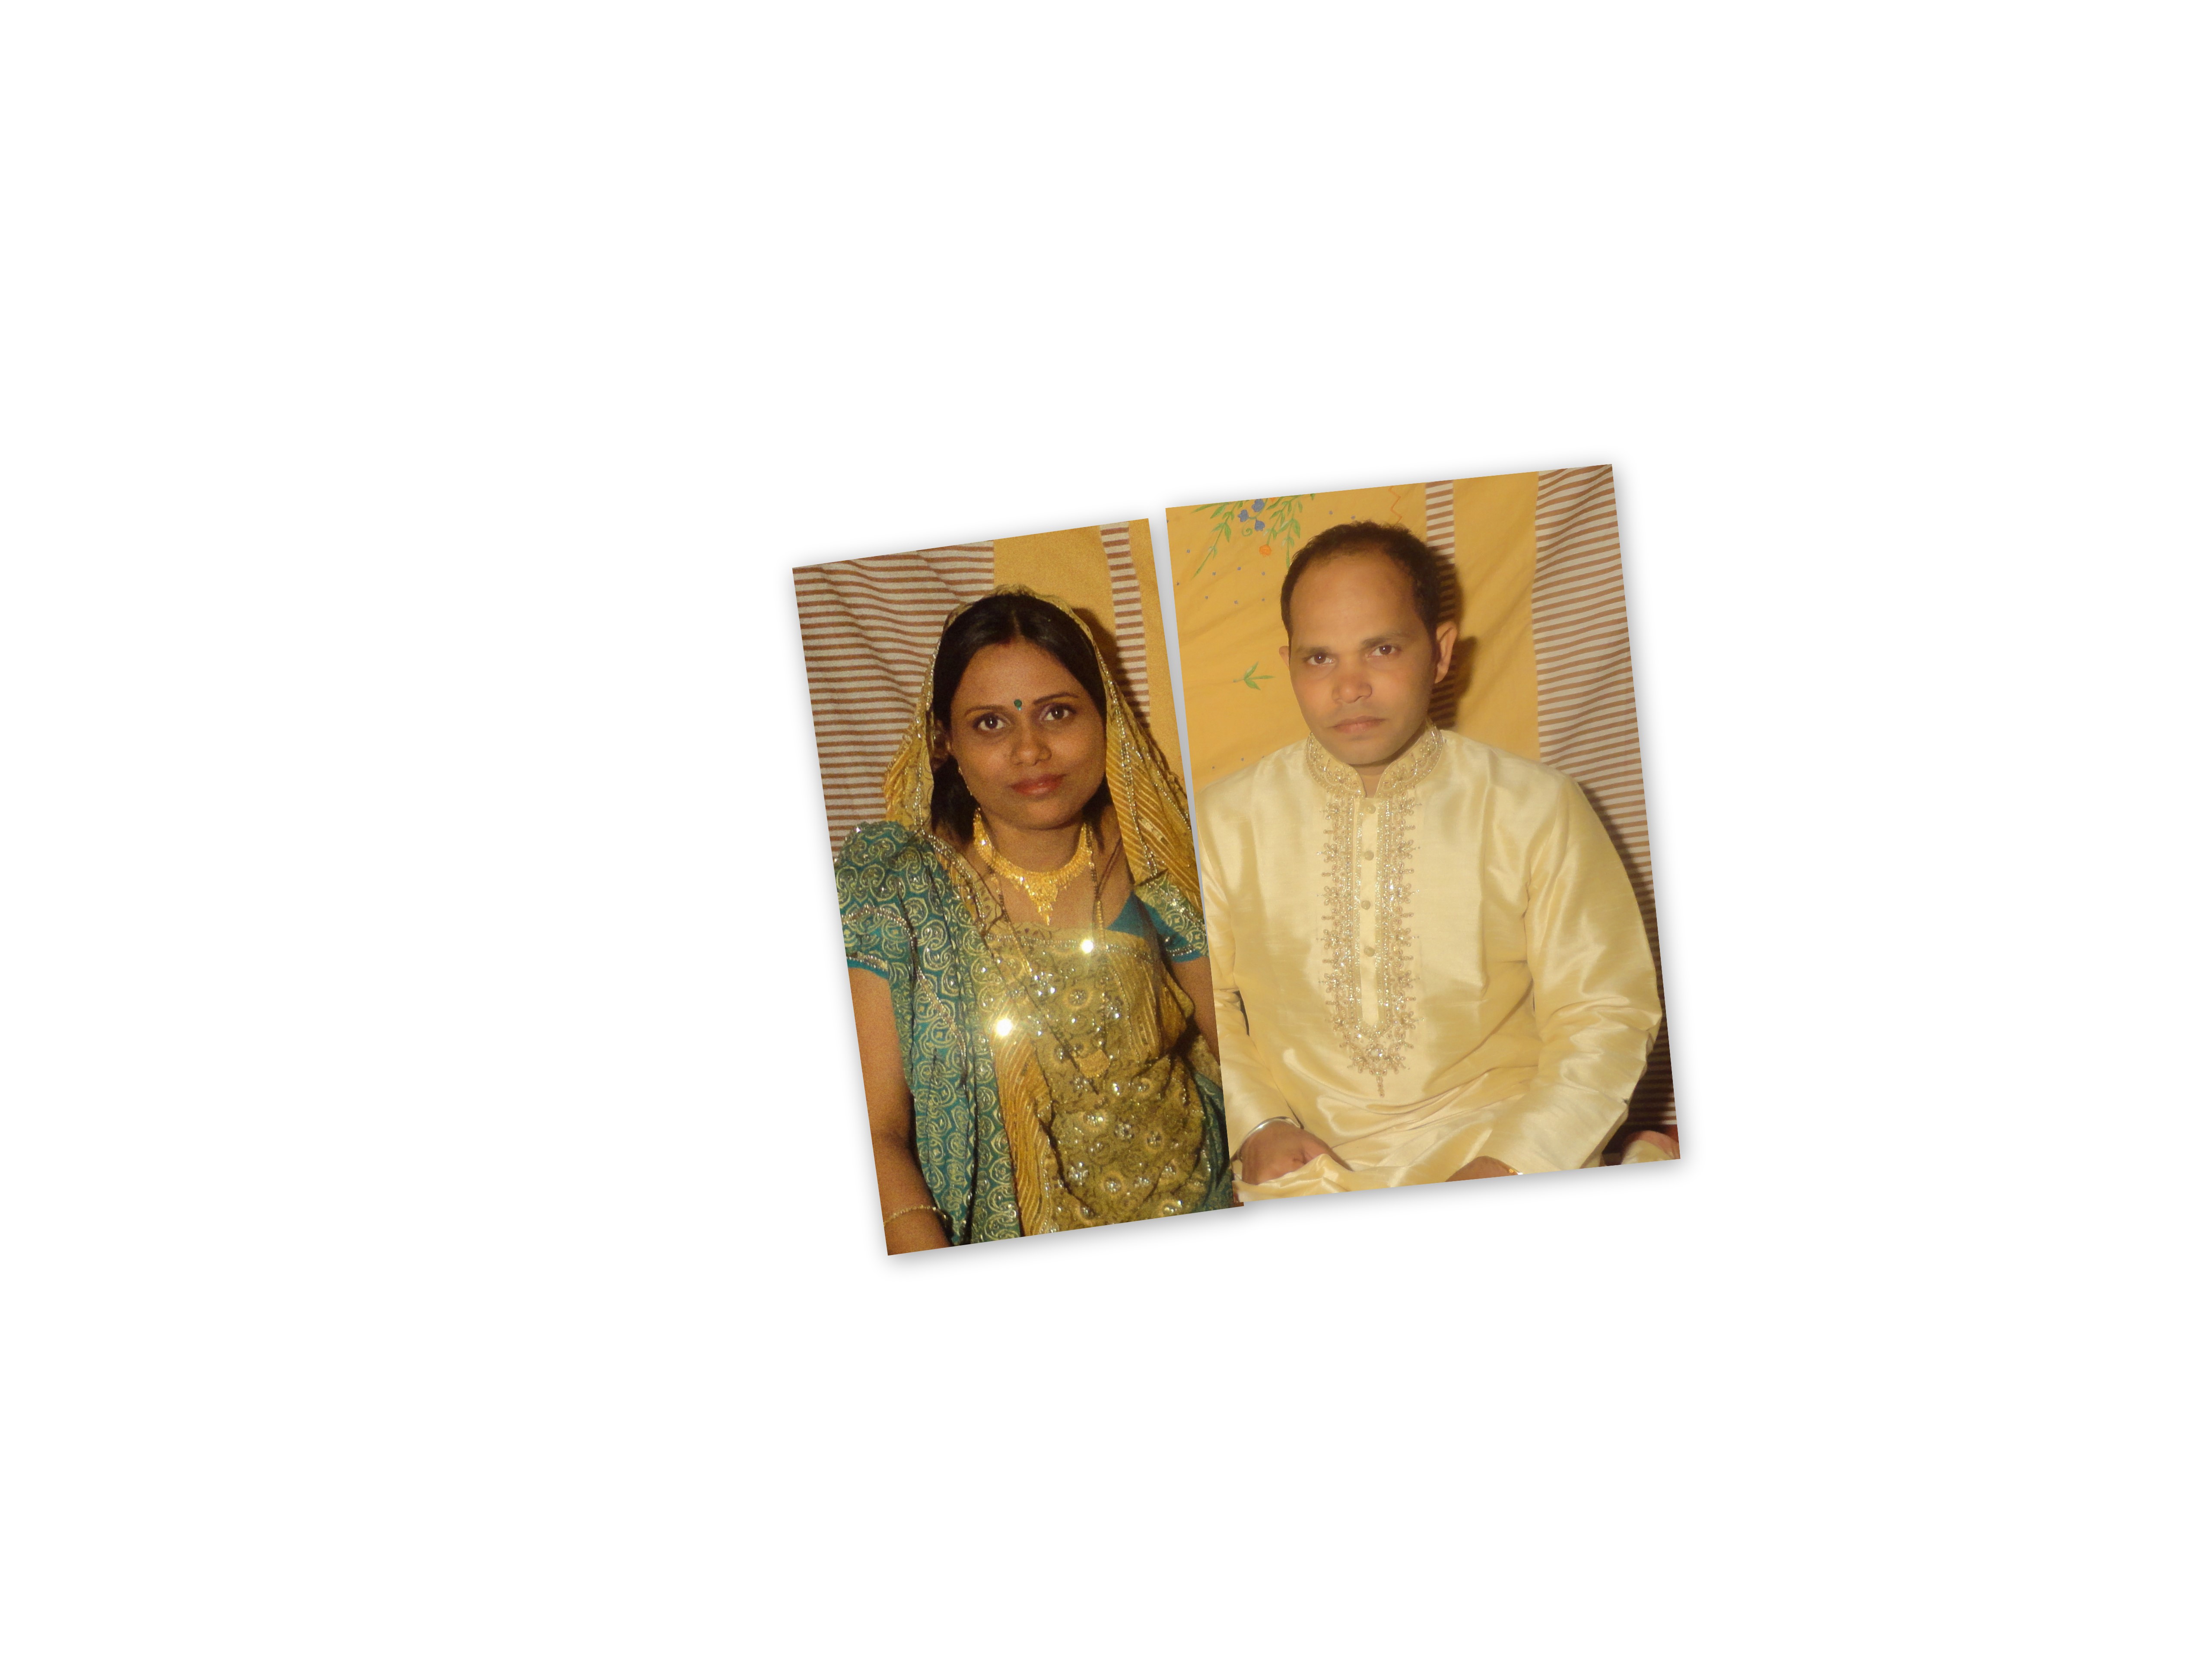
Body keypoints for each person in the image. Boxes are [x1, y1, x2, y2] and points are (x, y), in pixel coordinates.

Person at [1194, 521, 1662, 1199]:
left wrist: (1513, 1161)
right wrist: (1258, 1124)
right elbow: (1205, 998)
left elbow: (1606, 1013)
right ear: (1289, 663)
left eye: (1382, 649)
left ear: (1440, 653)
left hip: (1507, 1151)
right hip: (1300, 1171)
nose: (1350, 687)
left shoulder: (1536, 807)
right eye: (1320, 658)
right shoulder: (1223, 821)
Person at [836, 588, 1233, 1250]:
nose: (1031, 750)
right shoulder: (898, 895)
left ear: (1106, 719)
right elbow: (875, 1132)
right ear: (944, 741)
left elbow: (1245, 1056)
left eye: (1057, 713)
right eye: (991, 723)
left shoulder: (1159, 861)